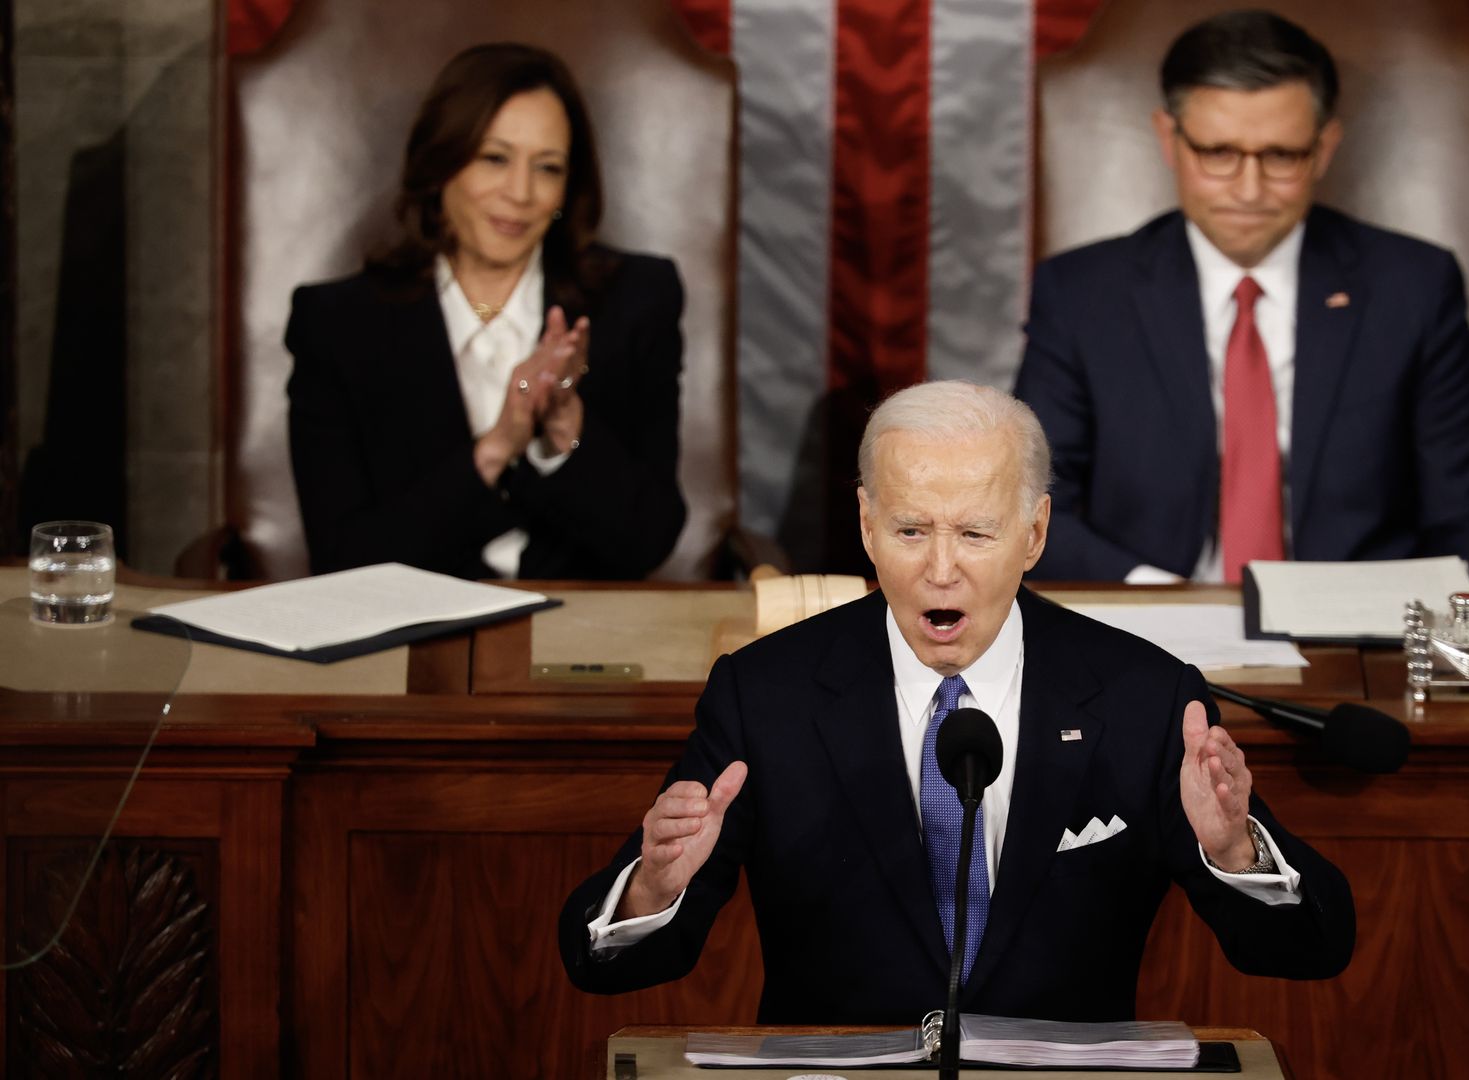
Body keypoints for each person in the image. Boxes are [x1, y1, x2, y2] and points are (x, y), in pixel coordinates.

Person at [559, 381, 1353, 1023]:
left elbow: (1310, 949)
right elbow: (605, 965)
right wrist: (654, 889)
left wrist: (1236, 853)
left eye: (975, 534)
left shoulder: (1145, 696)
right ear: (866, 526)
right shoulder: (766, 693)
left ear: (1034, 533)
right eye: (910, 531)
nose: (942, 570)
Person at [1014, 10, 1469, 588]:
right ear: (1168, 139)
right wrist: (1169, 601)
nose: (1248, 190)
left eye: (1281, 156)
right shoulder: (1081, 295)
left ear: (1324, 148)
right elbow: (1033, 509)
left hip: (1358, 639)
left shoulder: (1414, 287)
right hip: (1148, 629)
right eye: (1219, 153)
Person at [286, 43, 685, 580]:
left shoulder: (637, 299)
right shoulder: (337, 323)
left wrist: (566, 434)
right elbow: (343, 560)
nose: (519, 193)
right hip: (409, 638)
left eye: (547, 168)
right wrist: (495, 450)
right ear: (440, 167)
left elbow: (649, 540)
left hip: (585, 639)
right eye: (494, 158)